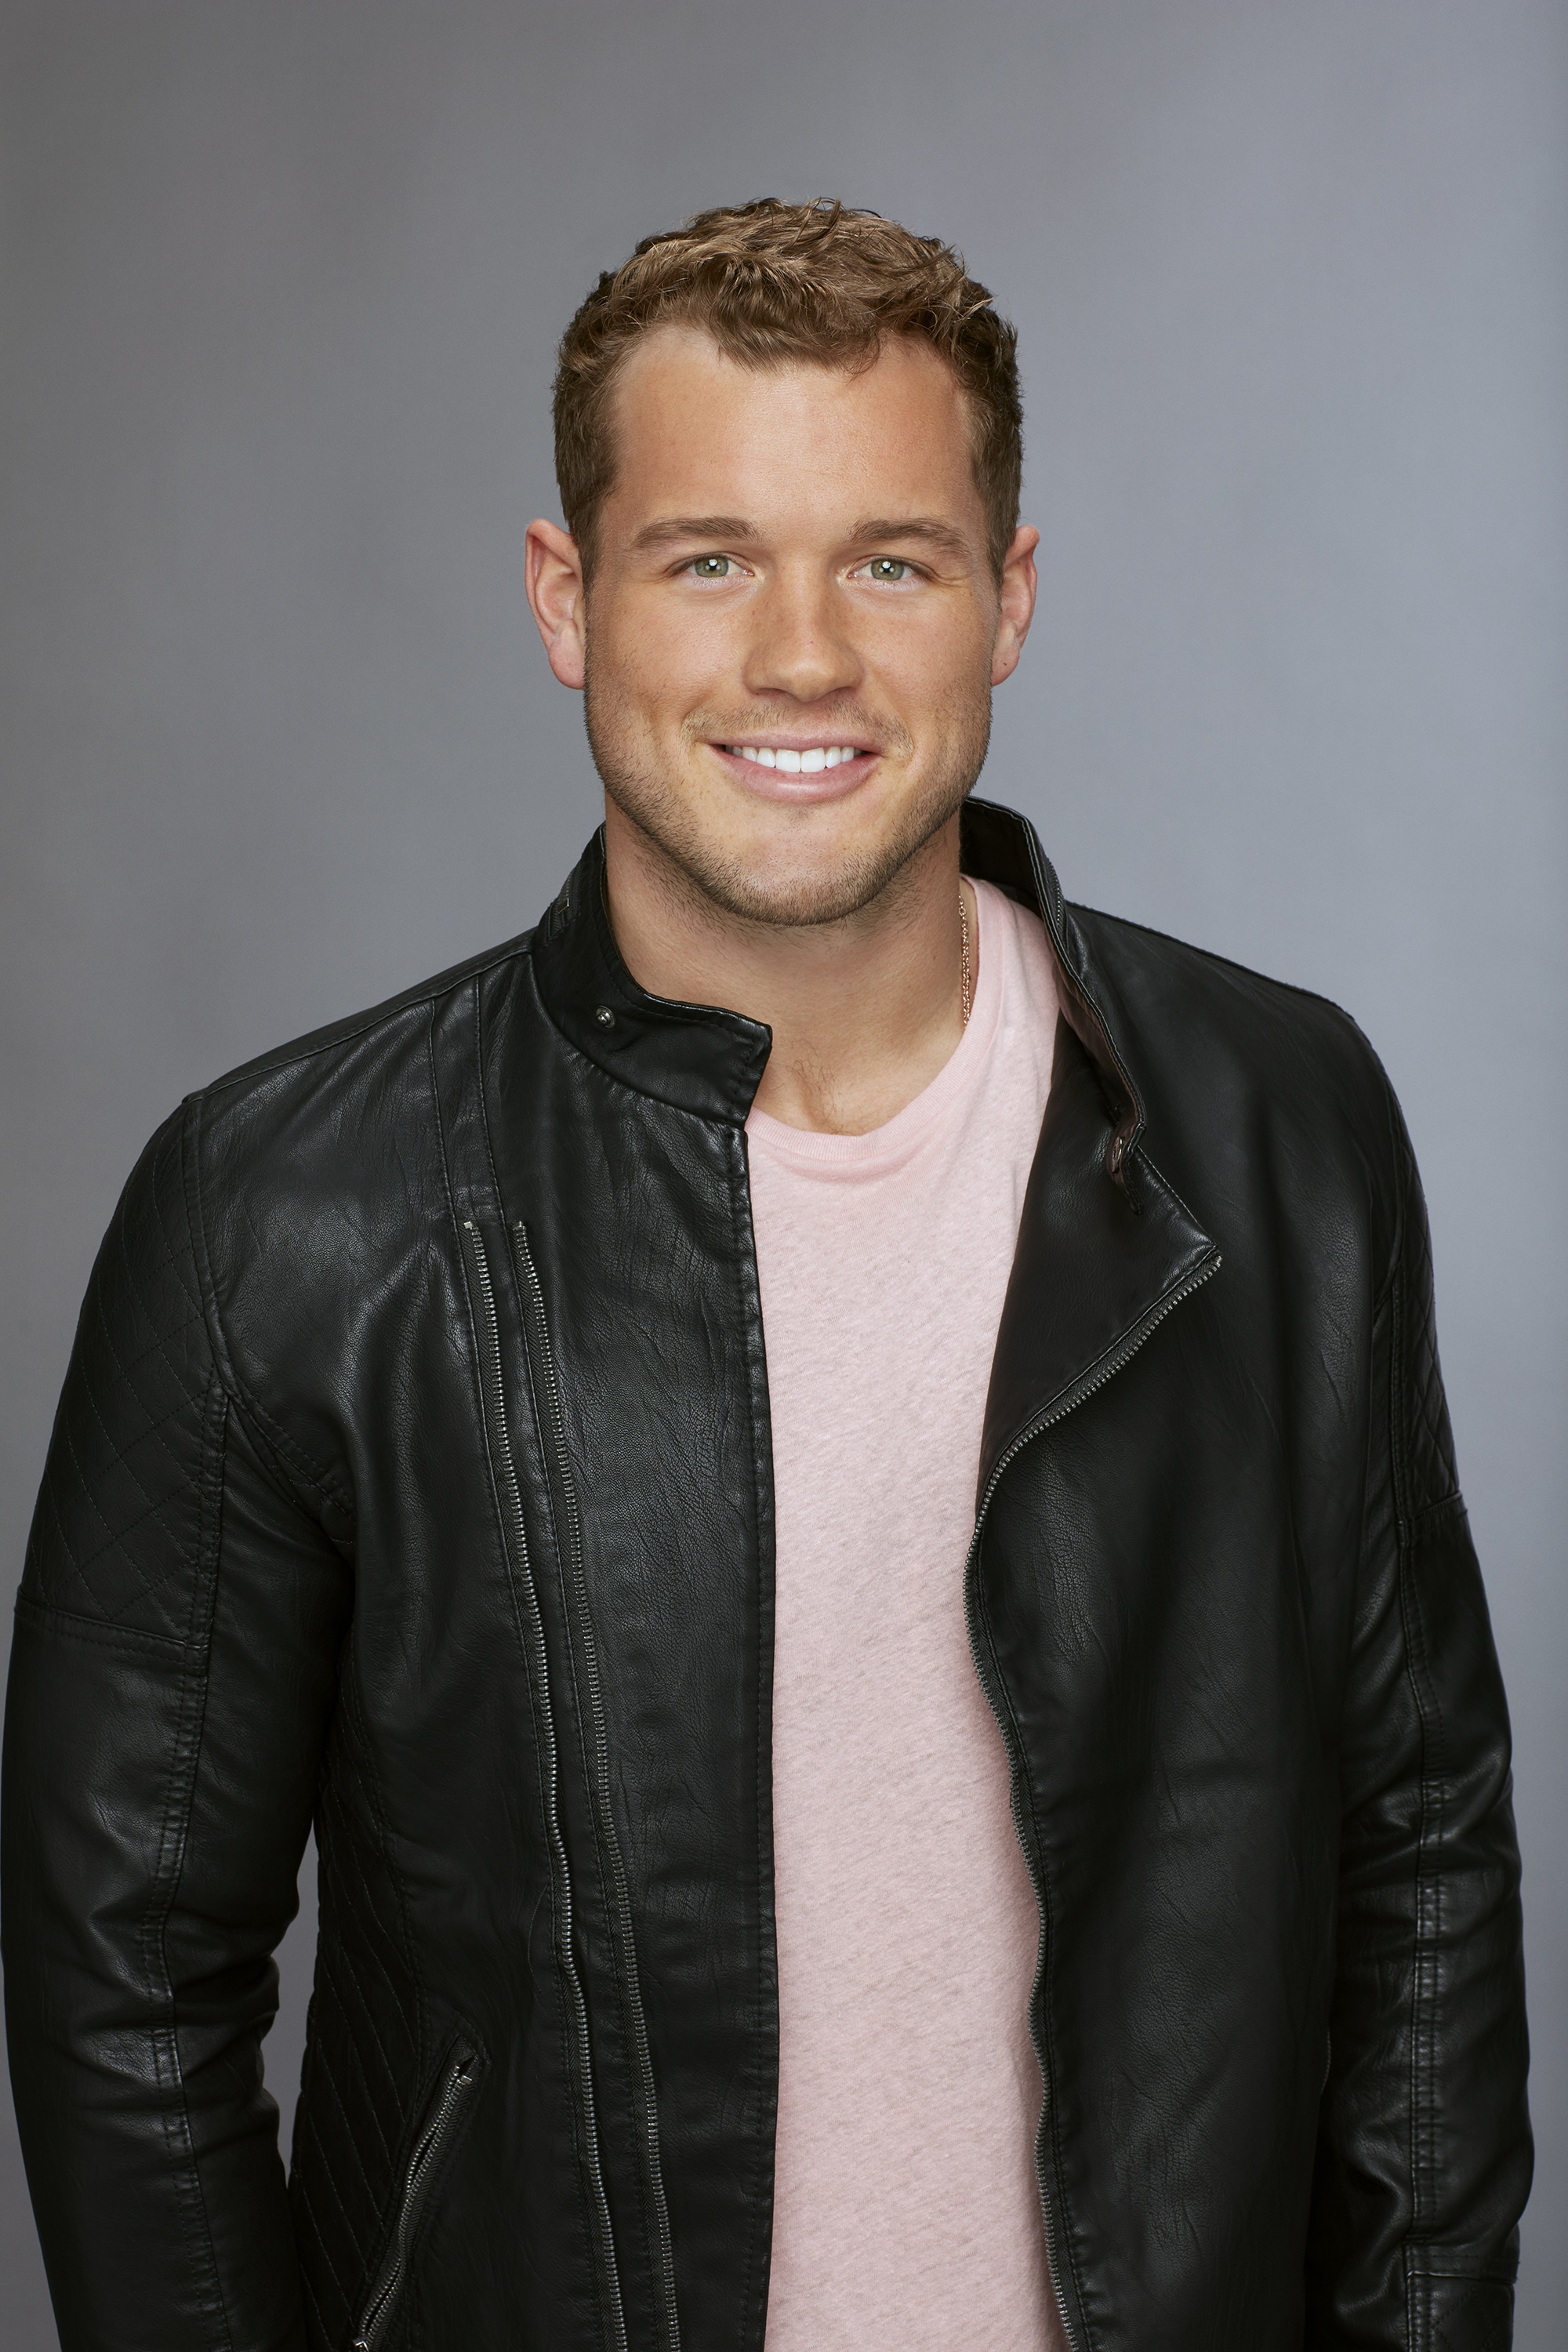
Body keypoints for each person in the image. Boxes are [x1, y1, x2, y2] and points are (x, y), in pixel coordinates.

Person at [2, 198, 1530, 2352]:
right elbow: (124, 1979)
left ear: (1008, 599)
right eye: (709, 559)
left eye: (890, 562)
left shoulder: (1278, 1121)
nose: (802, 657)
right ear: (568, 601)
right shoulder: (286, 1214)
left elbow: (1421, 1850)